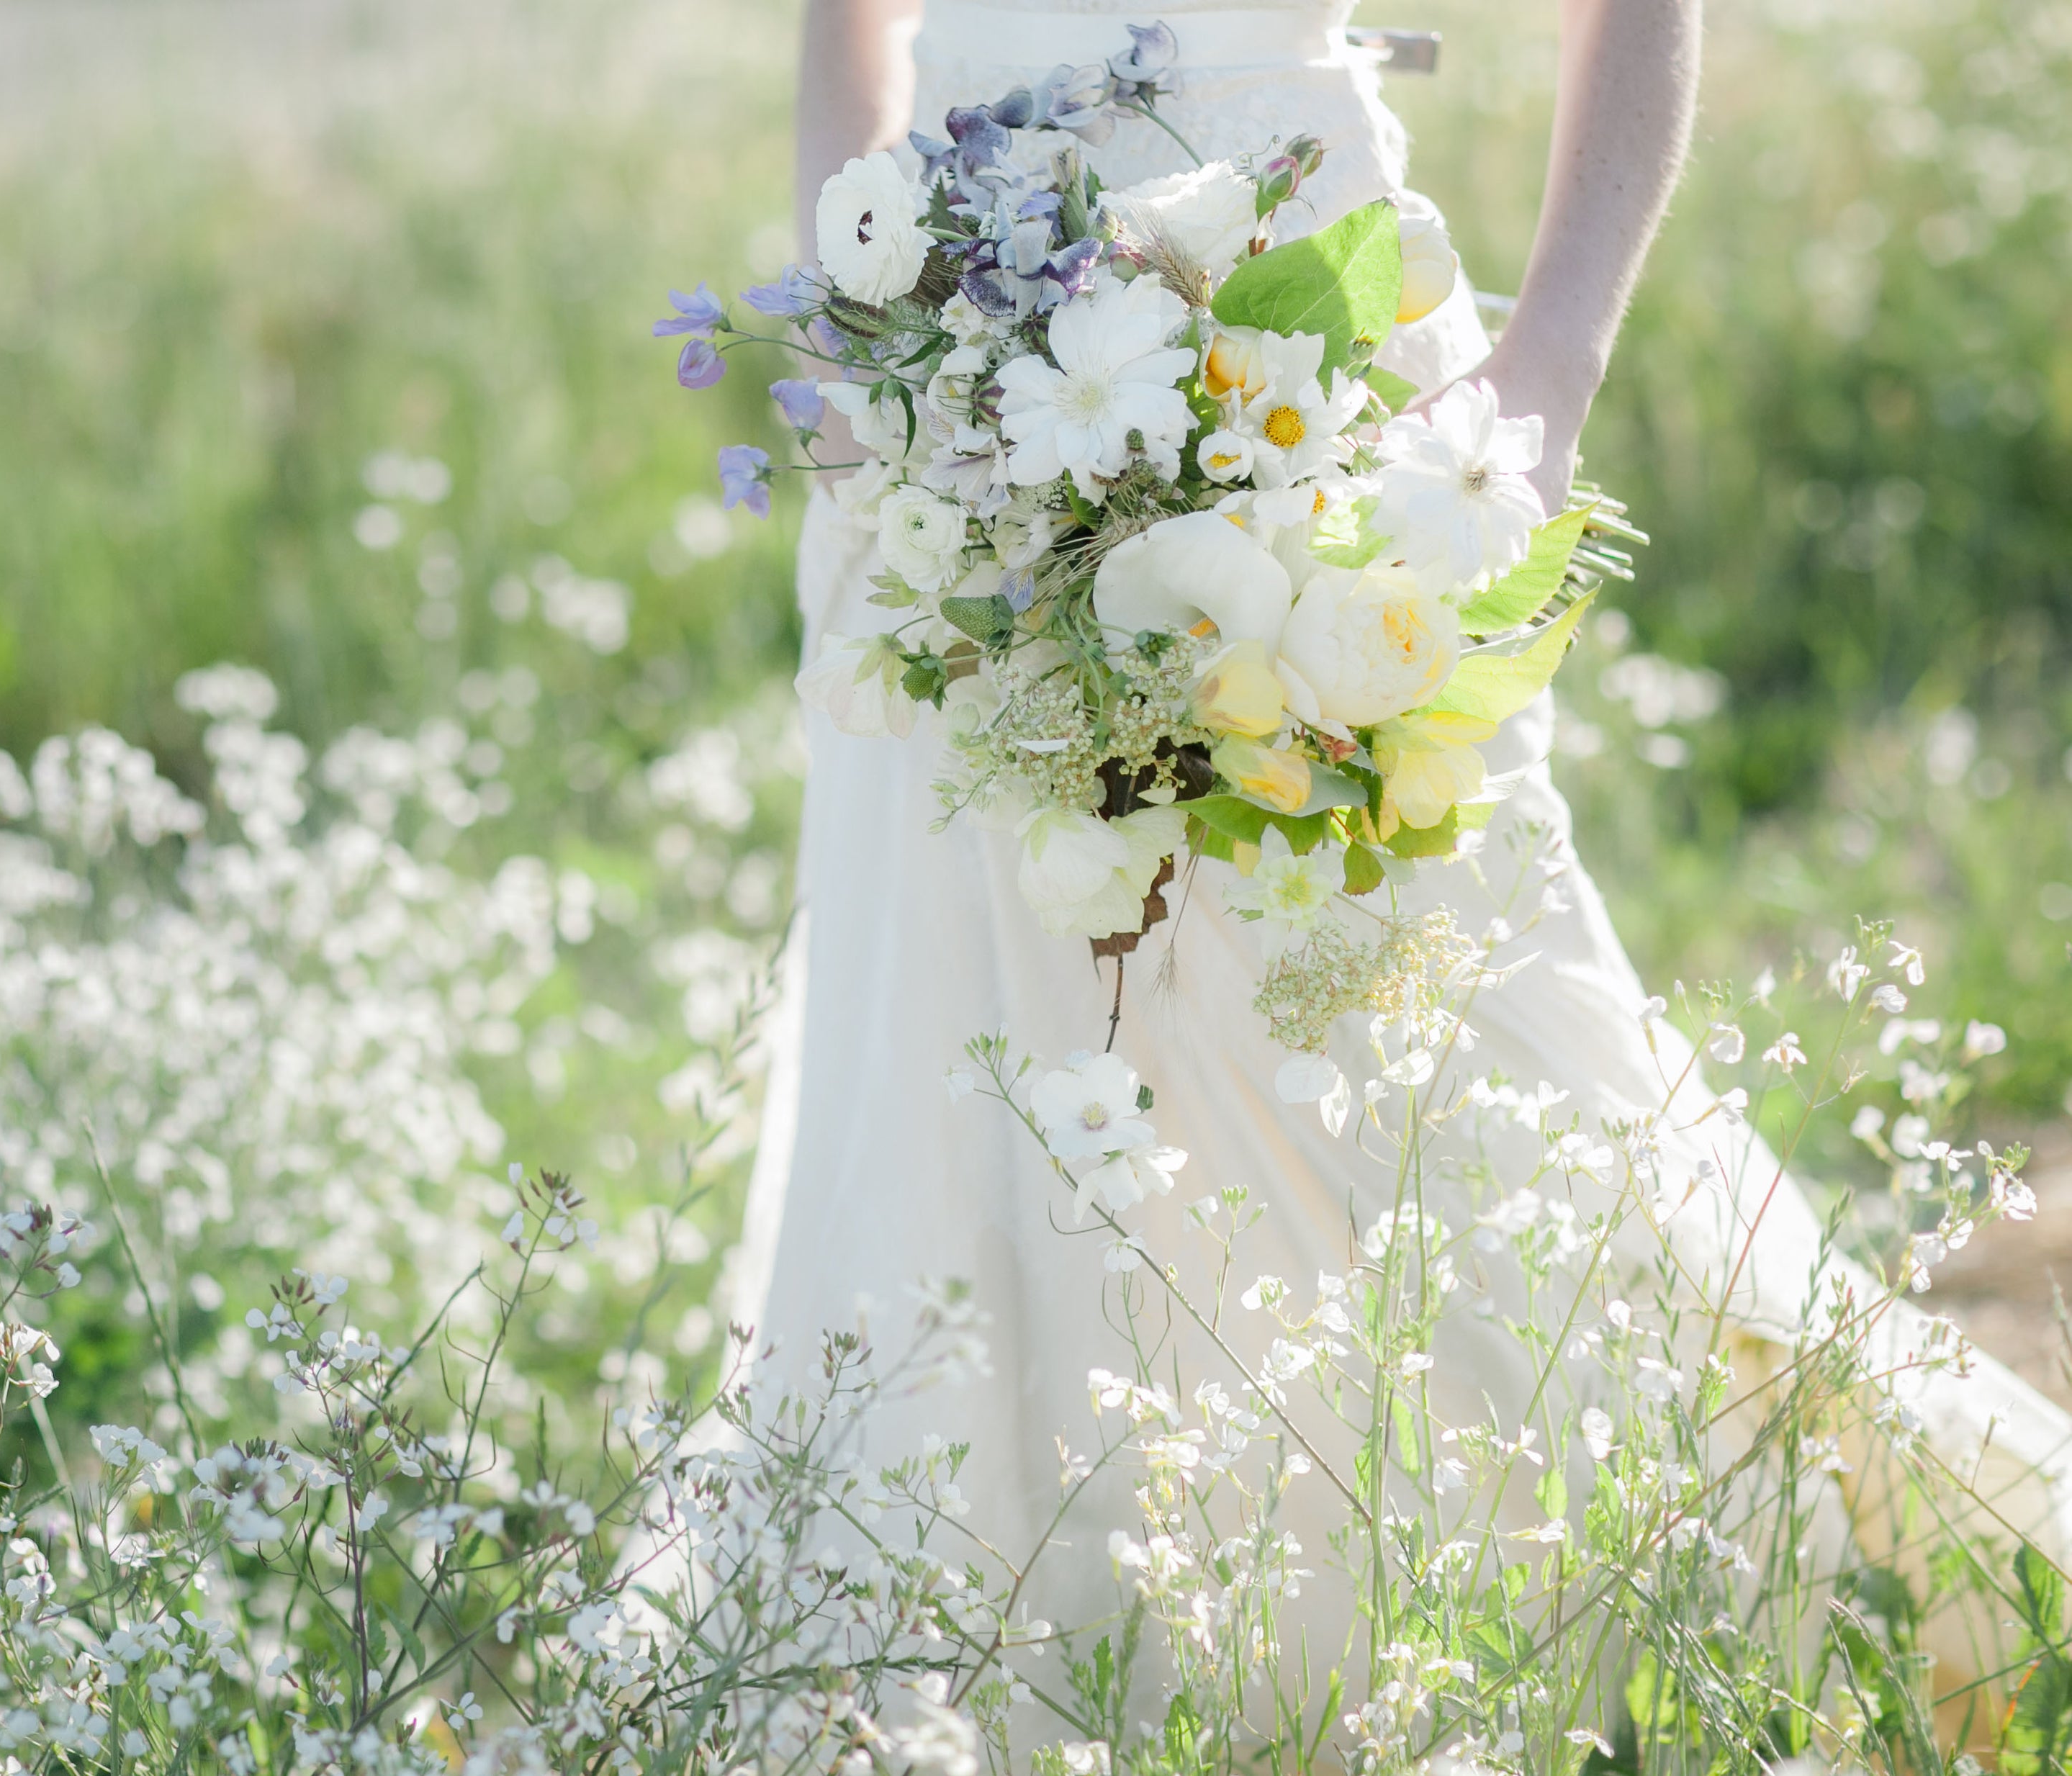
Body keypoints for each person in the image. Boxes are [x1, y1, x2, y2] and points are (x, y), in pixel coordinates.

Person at [731, 0, 2072, 1701]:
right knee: (959, 1037)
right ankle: (990, 1669)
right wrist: (848, 329)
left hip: (1313, 340)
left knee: (1443, 1000)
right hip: (951, 348)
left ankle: (1594, 1623)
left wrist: (1550, 381)